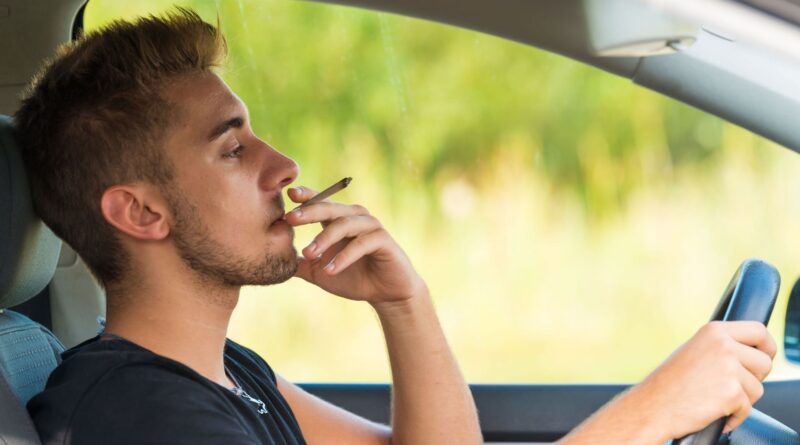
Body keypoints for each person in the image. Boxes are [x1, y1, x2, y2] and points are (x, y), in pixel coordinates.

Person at [15, 8, 775, 445]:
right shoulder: (141, 418)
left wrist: (404, 302)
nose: (283, 166)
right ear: (141, 212)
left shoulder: (229, 373)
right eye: (234, 147)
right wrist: (649, 414)